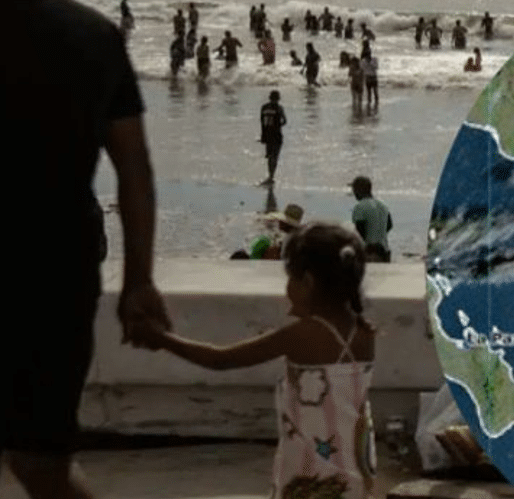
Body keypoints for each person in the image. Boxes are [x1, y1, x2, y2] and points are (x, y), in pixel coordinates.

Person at [0, 0, 171, 499]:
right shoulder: (91, 35)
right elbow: (134, 169)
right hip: (58, 278)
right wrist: (138, 282)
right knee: (44, 464)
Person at [139, 222, 378, 499]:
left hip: (312, 470)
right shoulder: (364, 332)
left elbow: (220, 359)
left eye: (290, 278)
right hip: (355, 464)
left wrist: (162, 339)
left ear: (308, 282)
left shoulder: (300, 335)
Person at [350, 176, 392, 263]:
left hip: (370, 252)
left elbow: (360, 231)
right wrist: (378, 235)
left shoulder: (360, 206)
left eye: (354, 189)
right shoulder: (383, 205)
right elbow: (389, 225)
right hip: (385, 251)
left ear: (360, 190)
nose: (353, 192)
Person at [260, 89, 287, 184]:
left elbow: (262, 123)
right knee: (274, 157)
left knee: (270, 156)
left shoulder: (264, 107)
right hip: (277, 135)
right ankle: (271, 177)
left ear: (269, 97)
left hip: (267, 135)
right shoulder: (279, 108)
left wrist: (263, 136)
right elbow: (284, 121)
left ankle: (270, 176)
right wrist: (278, 125)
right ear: (278, 98)